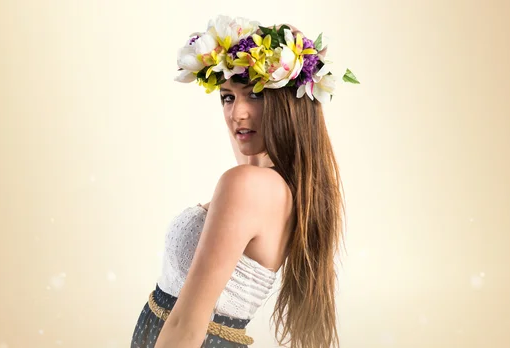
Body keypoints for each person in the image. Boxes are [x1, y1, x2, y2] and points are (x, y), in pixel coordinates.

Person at [130, 15, 359, 348]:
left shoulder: (247, 185)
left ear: (289, 104)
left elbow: (188, 323)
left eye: (255, 95)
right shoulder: (275, 187)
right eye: (228, 97)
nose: (237, 114)